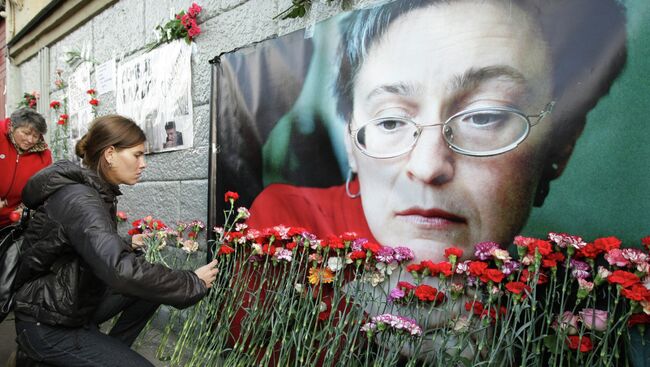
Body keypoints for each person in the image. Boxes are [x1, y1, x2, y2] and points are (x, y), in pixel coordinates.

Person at [247, 0, 627, 263]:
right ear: (351, 142)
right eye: (391, 121)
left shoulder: (582, 315)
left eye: (483, 117)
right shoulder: (288, 233)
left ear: (561, 146)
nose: (428, 167)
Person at [12, 115, 219, 366]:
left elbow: (78, 240)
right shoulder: (81, 199)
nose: (143, 164)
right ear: (110, 154)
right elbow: (119, 269)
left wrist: (125, 243)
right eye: (137, 155)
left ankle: (104, 353)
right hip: (47, 321)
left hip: (71, 303)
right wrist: (192, 282)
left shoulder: (95, 190)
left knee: (149, 288)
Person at [0, 108, 52, 228]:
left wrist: (27, 208)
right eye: (26, 133)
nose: (30, 140)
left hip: (12, 223)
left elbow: (44, 189)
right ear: (12, 127)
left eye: (35, 136)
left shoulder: (44, 156)